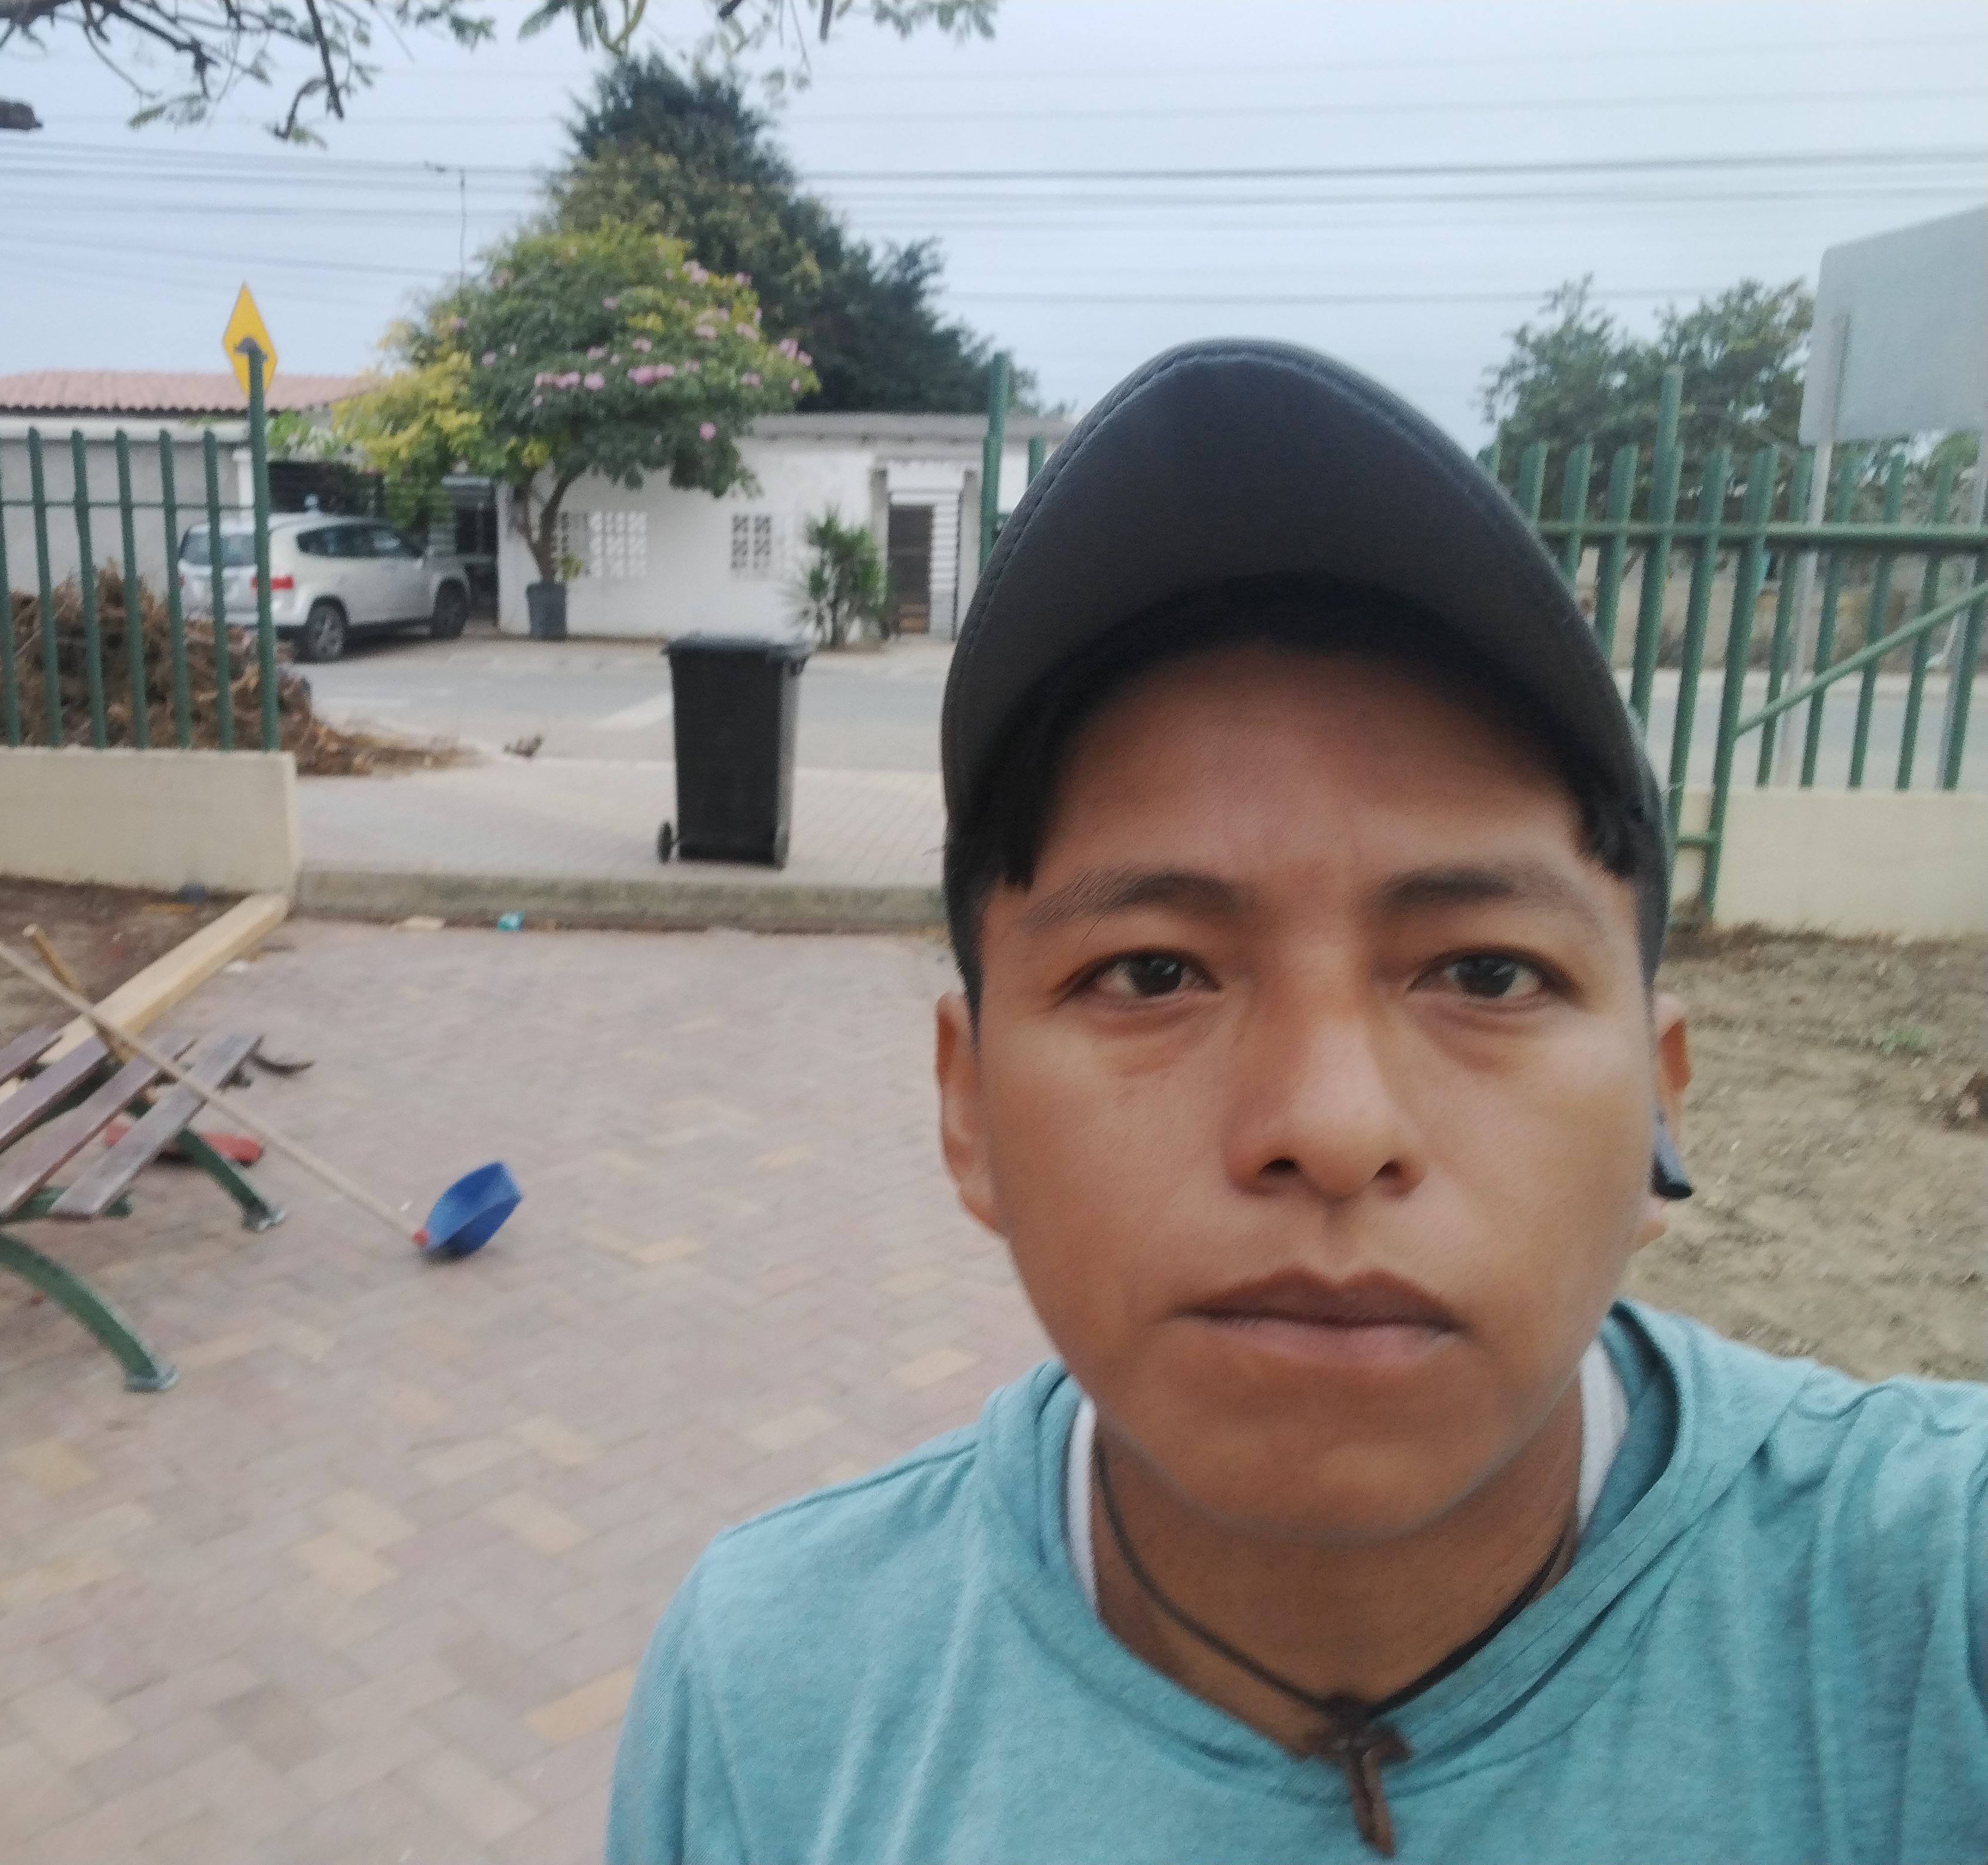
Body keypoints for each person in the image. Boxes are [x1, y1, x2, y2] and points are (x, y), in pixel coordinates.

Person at [604, 341, 1986, 1864]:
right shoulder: (773, 1692)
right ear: (970, 1108)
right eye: (1148, 973)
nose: (1331, 1127)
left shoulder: (1934, 1609)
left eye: (1486, 971)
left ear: (1660, 1109)